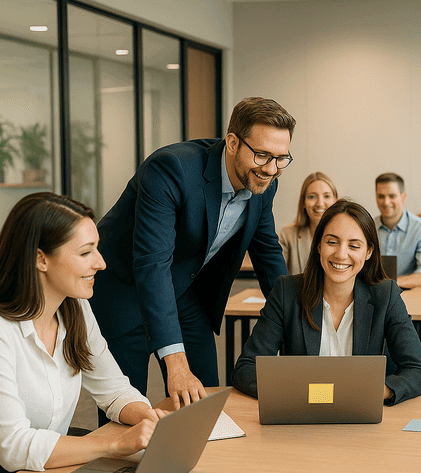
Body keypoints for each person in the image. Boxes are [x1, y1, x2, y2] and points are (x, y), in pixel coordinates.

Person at [91, 97, 294, 409]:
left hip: (182, 289)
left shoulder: (263, 182)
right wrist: (175, 364)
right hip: (124, 290)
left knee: (204, 396)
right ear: (232, 143)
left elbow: (269, 257)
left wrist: (299, 327)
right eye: (262, 155)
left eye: (282, 158)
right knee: (125, 410)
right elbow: (152, 263)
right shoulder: (172, 168)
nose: (271, 169)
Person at [0, 193, 167, 473]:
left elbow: (114, 391)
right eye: (86, 252)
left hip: (47, 460)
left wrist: (147, 418)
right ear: (40, 258)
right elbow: (13, 447)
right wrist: (116, 444)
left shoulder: (75, 309)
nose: (100, 263)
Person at [234, 200, 421, 405]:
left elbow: (418, 372)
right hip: (301, 414)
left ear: (369, 252)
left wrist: (375, 391)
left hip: (361, 415)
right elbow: (246, 368)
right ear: (319, 245)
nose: (341, 254)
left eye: (354, 245)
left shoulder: (385, 294)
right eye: (332, 242)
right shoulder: (287, 291)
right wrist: (303, 393)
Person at [374, 173, 421, 289]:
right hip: (371, 295)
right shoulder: (366, 228)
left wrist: (390, 284)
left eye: (392, 196)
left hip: (408, 294)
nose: (386, 202)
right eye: (381, 196)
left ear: (403, 197)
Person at [279, 172, 338, 275]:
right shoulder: (287, 235)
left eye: (327, 196)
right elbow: (278, 280)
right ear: (303, 203)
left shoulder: (347, 235)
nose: (320, 203)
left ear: (335, 201)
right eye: (312, 197)